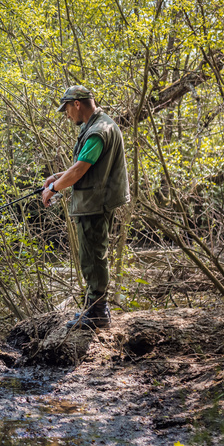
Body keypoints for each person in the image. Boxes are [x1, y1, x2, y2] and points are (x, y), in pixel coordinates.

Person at [41, 85, 130, 330]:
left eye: (66, 109)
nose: (67, 115)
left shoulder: (98, 131)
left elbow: (81, 169)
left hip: (94, 203)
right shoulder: (101, 124)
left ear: (77, 104)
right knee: (92, 256)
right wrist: (57, 177)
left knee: (93, 257)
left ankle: (97, 313)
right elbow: (87, 165)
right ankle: (94, 309)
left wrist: (53, 189)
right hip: (95, 200)